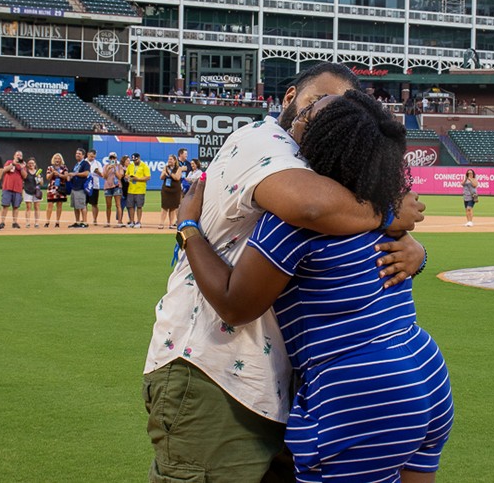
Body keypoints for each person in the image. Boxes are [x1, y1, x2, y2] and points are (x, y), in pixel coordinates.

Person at [143, 62, 426, 482]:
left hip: (289, 386)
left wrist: (416, 251)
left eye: (339, 111)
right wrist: (385, 208)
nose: (321, 116)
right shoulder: (262, 138)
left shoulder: (332, 181)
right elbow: (307, 207)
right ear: (290, 99)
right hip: (215, 372)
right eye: (315, 103)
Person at [0, 150, 27, 229]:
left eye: (20, 155)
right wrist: (13, 164)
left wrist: (21, 167)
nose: (19, 156)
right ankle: (2, 222)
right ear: (14, 156)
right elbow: (4, 170)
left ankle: (15, 222)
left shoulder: (23, 165)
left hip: (17, 188)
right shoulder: (9, 162)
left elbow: (25, 176)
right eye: (17, 155)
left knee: (16, 206)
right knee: (5, 205)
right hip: (7, 187)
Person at [124, 152, 150, 228]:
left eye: (136, 160)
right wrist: (128, 177)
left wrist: (137, 179)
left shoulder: (144, 166)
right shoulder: (130, 166)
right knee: (130, 206)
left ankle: (138, 221)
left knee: (139, 206)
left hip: (140, 189)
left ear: (139, 158)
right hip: (131, 189)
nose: (135, 161)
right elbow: (126, 174)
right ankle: (132, 221)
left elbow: (148, 177)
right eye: (134, 160)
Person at [157, 154, 182, 229]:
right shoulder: (166, 167)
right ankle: (161, 223)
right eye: (168, 159)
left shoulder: (179, 168)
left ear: (175, 160)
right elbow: (161, 177)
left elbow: (177, 178)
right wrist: (164, 174)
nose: (169, 161)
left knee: (173, 207)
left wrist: (170, 173)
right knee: (164, 206)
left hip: (175, 190)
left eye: (171, 159)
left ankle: (171, 223)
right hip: (166, 190)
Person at [68, 148, 91, 229]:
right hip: (75, 187)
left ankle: (84, 222)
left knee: (82, 205)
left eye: (79, 154)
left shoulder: (85, 163)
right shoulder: (77, 164)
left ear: (83, 155)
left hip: (81, 187)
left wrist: (75, 174)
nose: (77, 155)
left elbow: (86, 173)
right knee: (75, 206)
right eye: (76, 153)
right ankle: (77, 222)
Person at [44, 153, 68, 228]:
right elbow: (47, 177)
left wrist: (59, 174)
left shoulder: (64, 167)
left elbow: (66, 177)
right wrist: (52, 173)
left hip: (61, 187)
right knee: (50, 204)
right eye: (56, 158)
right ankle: (47, 221)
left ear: (61, 160)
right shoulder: (50, 167)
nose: (57, 160)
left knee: (59, 204)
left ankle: (57, 221)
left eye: (58, 158)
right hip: (52, 187)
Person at [101, 151, 123, 227]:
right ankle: (108, 222)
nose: (112, 159)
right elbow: (104, 177)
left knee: (118, 205)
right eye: (111, 158)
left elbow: (120, 177)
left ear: (116, 158)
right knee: (108, 205)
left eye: (114, 157)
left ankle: (119, 222)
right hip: (108, 186)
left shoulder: (119, 166)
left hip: (117, 186)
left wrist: (114, 168)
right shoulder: (106, 166)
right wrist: (108, 169)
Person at [23, 158, 43, 228]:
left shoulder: (38, 172)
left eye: (32, 163)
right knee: (28, 207)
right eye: (29, 163)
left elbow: (41, 183)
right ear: (28, 165)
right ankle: (28, 222)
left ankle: (36, 222)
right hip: (28, 191)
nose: (31, 164)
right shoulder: (26, 172)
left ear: (35, 164)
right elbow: (24, 178)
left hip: (36, 191)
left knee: (37, 207)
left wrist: (39, 177)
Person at [86, 149, 104, 226]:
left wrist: (98, 172)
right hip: (85, 185)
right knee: (84, 203)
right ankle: (84, 219)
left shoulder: (97, 163)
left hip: (94, 186)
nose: (92, 157)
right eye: (91, 156)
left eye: (93, 156)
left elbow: (102, 175)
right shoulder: (84, 162)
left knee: (94, 204)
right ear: (87, 154)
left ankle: (95, 219)